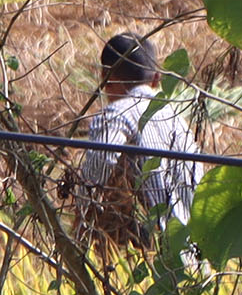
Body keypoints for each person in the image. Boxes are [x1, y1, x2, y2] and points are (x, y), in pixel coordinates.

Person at [70, 33, 202, 242]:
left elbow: (101, 162)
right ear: (157, 78)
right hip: (194, 246)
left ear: (105, 77)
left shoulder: (116, 113)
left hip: (154, 246)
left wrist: (80, 222)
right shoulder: (177, 119)